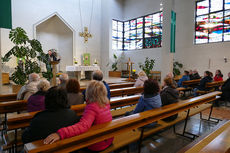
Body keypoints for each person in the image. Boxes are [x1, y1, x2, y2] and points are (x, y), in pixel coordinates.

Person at [44, 81, 113, 152]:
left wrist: (60, 134)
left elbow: (83, 126)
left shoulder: (92, 107)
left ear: (89, 93)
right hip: (107, 139)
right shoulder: (105, 104)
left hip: (97, 144)